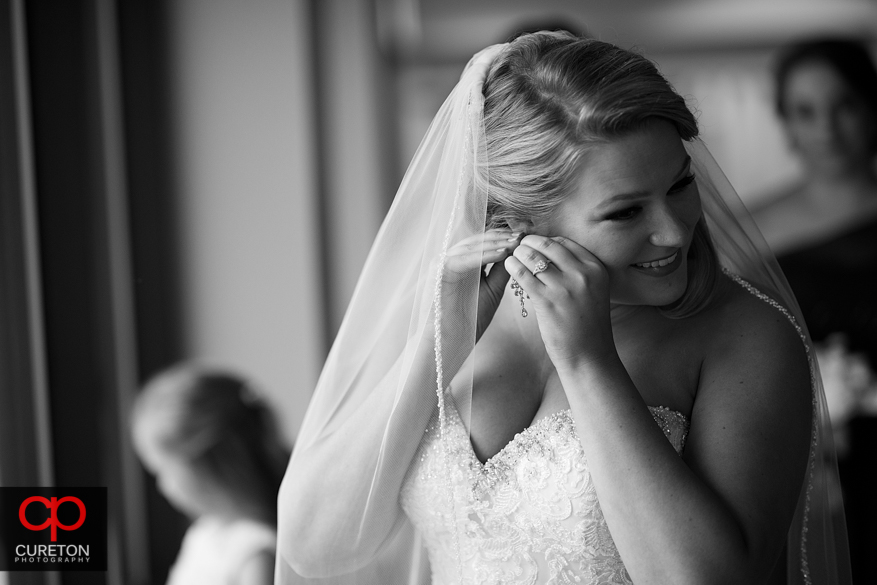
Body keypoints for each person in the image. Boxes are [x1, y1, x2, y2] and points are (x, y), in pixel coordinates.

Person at [277, 32, 850, 584]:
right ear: (522, 217)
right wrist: (443, 339)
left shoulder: (746, 334)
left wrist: (589, 363)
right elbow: (316, 547)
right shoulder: (454, 309)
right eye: (626, 212)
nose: (674, 233)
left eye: (680, 185)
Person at [750, 38, 877, 585]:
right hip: (816, 458)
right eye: (805, 111)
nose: (827, 129)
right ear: (786, 123)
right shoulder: (748, 230)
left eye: (844, 105)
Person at [131, 364, 290, 585]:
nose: (162, 486)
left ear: (206, 466)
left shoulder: (255, 554)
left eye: (162, 471)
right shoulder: (205, 533)